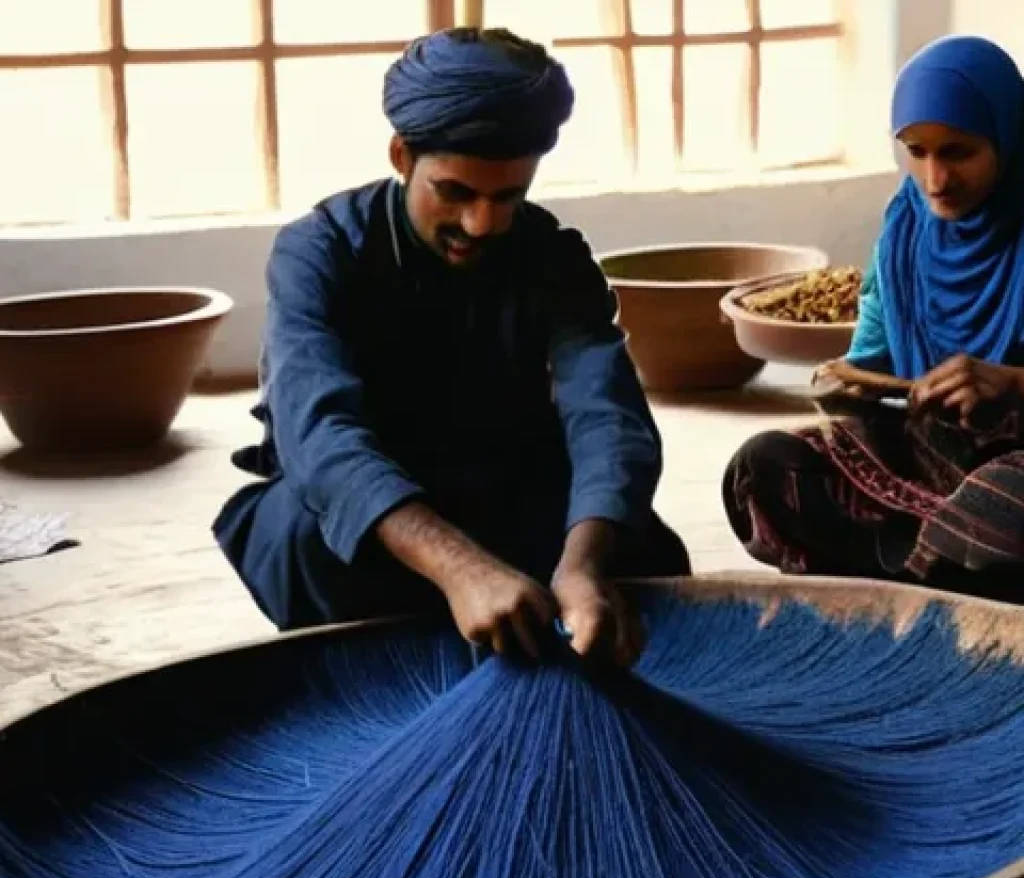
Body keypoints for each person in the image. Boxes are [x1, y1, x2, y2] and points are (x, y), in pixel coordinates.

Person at [213, 26, 689, 665]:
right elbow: (320, 436)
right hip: (383, 508)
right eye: (456, 192)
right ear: (401, 156)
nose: (481, 224)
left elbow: (607, 416)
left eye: (508, 197)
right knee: (304, 538)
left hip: (502, 483)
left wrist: (582, 566)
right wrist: (460, 569)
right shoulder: (319, 253)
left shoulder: (553, 256)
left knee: (638, 557)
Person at [721, 34, 1024, 602]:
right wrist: (846, 384)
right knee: (762, 467)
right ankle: (940, 572)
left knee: (1002, 506)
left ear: (1008, 138)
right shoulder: (907, 229)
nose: (935, 180)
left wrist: (1010, 384)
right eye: (917, 151)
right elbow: (869, 364)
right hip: (928, 462)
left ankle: (908, 579)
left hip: (1010, 470)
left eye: (959, 152)